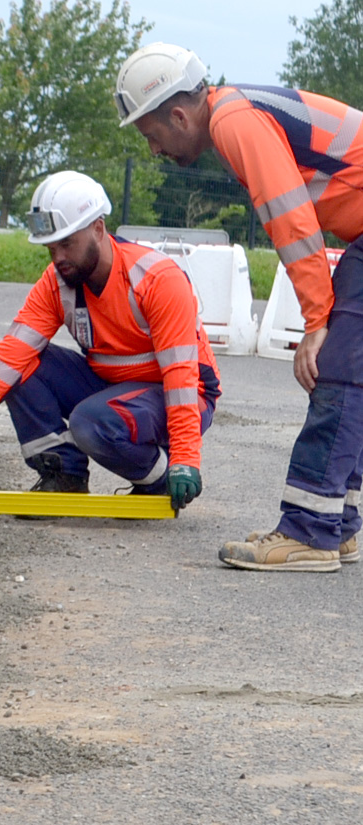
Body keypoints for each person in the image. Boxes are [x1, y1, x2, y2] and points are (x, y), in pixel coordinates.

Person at [115, 42, 363, 573]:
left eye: (150, 134)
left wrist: (318, 323)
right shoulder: (238, 112)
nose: (154, 150)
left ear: (179, 115)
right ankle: (335, 524)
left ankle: (309, 532)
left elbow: (292, 223)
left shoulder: (234, 122)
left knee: (338, 370)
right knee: (351, 374)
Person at [0, 169, 221, 514]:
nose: (57, 257)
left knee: (90, 422)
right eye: (50, 247)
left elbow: (181, 375)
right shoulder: (58, 283)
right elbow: (9, 355)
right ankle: (65, 477)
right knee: (20, 369)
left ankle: (158, 480)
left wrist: (184, 459)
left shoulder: (156, 280)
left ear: (98, 229)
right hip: (112, 390)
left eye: (67, 243)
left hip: (182, 396)